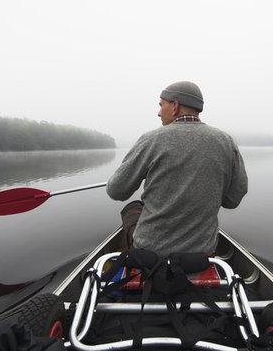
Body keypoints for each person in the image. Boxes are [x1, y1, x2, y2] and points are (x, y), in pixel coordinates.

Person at [106, 81, 248, 256]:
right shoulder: (226, 141)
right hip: (202, 254)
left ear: (175, 106)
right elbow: (232, 200)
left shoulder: (152, 140)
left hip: (151, 254)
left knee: (133, 208)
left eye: (161, 105)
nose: (158, 113)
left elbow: (116, 191)